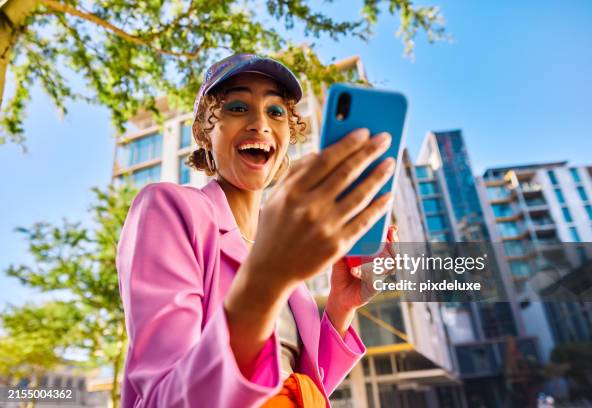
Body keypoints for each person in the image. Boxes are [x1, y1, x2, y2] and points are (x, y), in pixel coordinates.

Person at [116, 53, 399, 408]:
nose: (260, 124)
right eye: (237, 107)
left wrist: (342, 307)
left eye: (276, 112)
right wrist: (268, 275)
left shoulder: (278, 242)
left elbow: (295, 377)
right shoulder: (169, 207)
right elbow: (168, 397)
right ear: (205, 132)